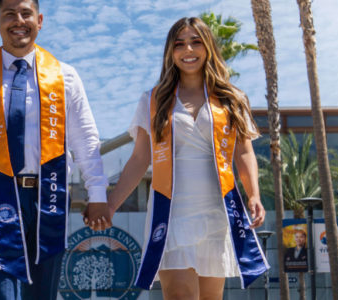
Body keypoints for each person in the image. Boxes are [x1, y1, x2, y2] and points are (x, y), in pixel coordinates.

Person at [0, 0, 111, 299]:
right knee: (2, 294)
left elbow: (85, 138)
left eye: (25, 14)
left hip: (50, 196)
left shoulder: (64, 76)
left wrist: (97, 194)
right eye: (9, 15)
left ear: (39, 20)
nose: (18, 21)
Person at [105, 17, 269, 299]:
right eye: (179, 44)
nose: (188, 50)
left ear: (208, 47)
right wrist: (109, 205)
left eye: (196, 42)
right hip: (172, 212)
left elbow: (243, 152)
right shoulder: (153, 99)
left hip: (216, 211)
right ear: (171, 52)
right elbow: (139, 159)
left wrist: (253, 193)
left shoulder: (232, 99)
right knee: (179, 294)